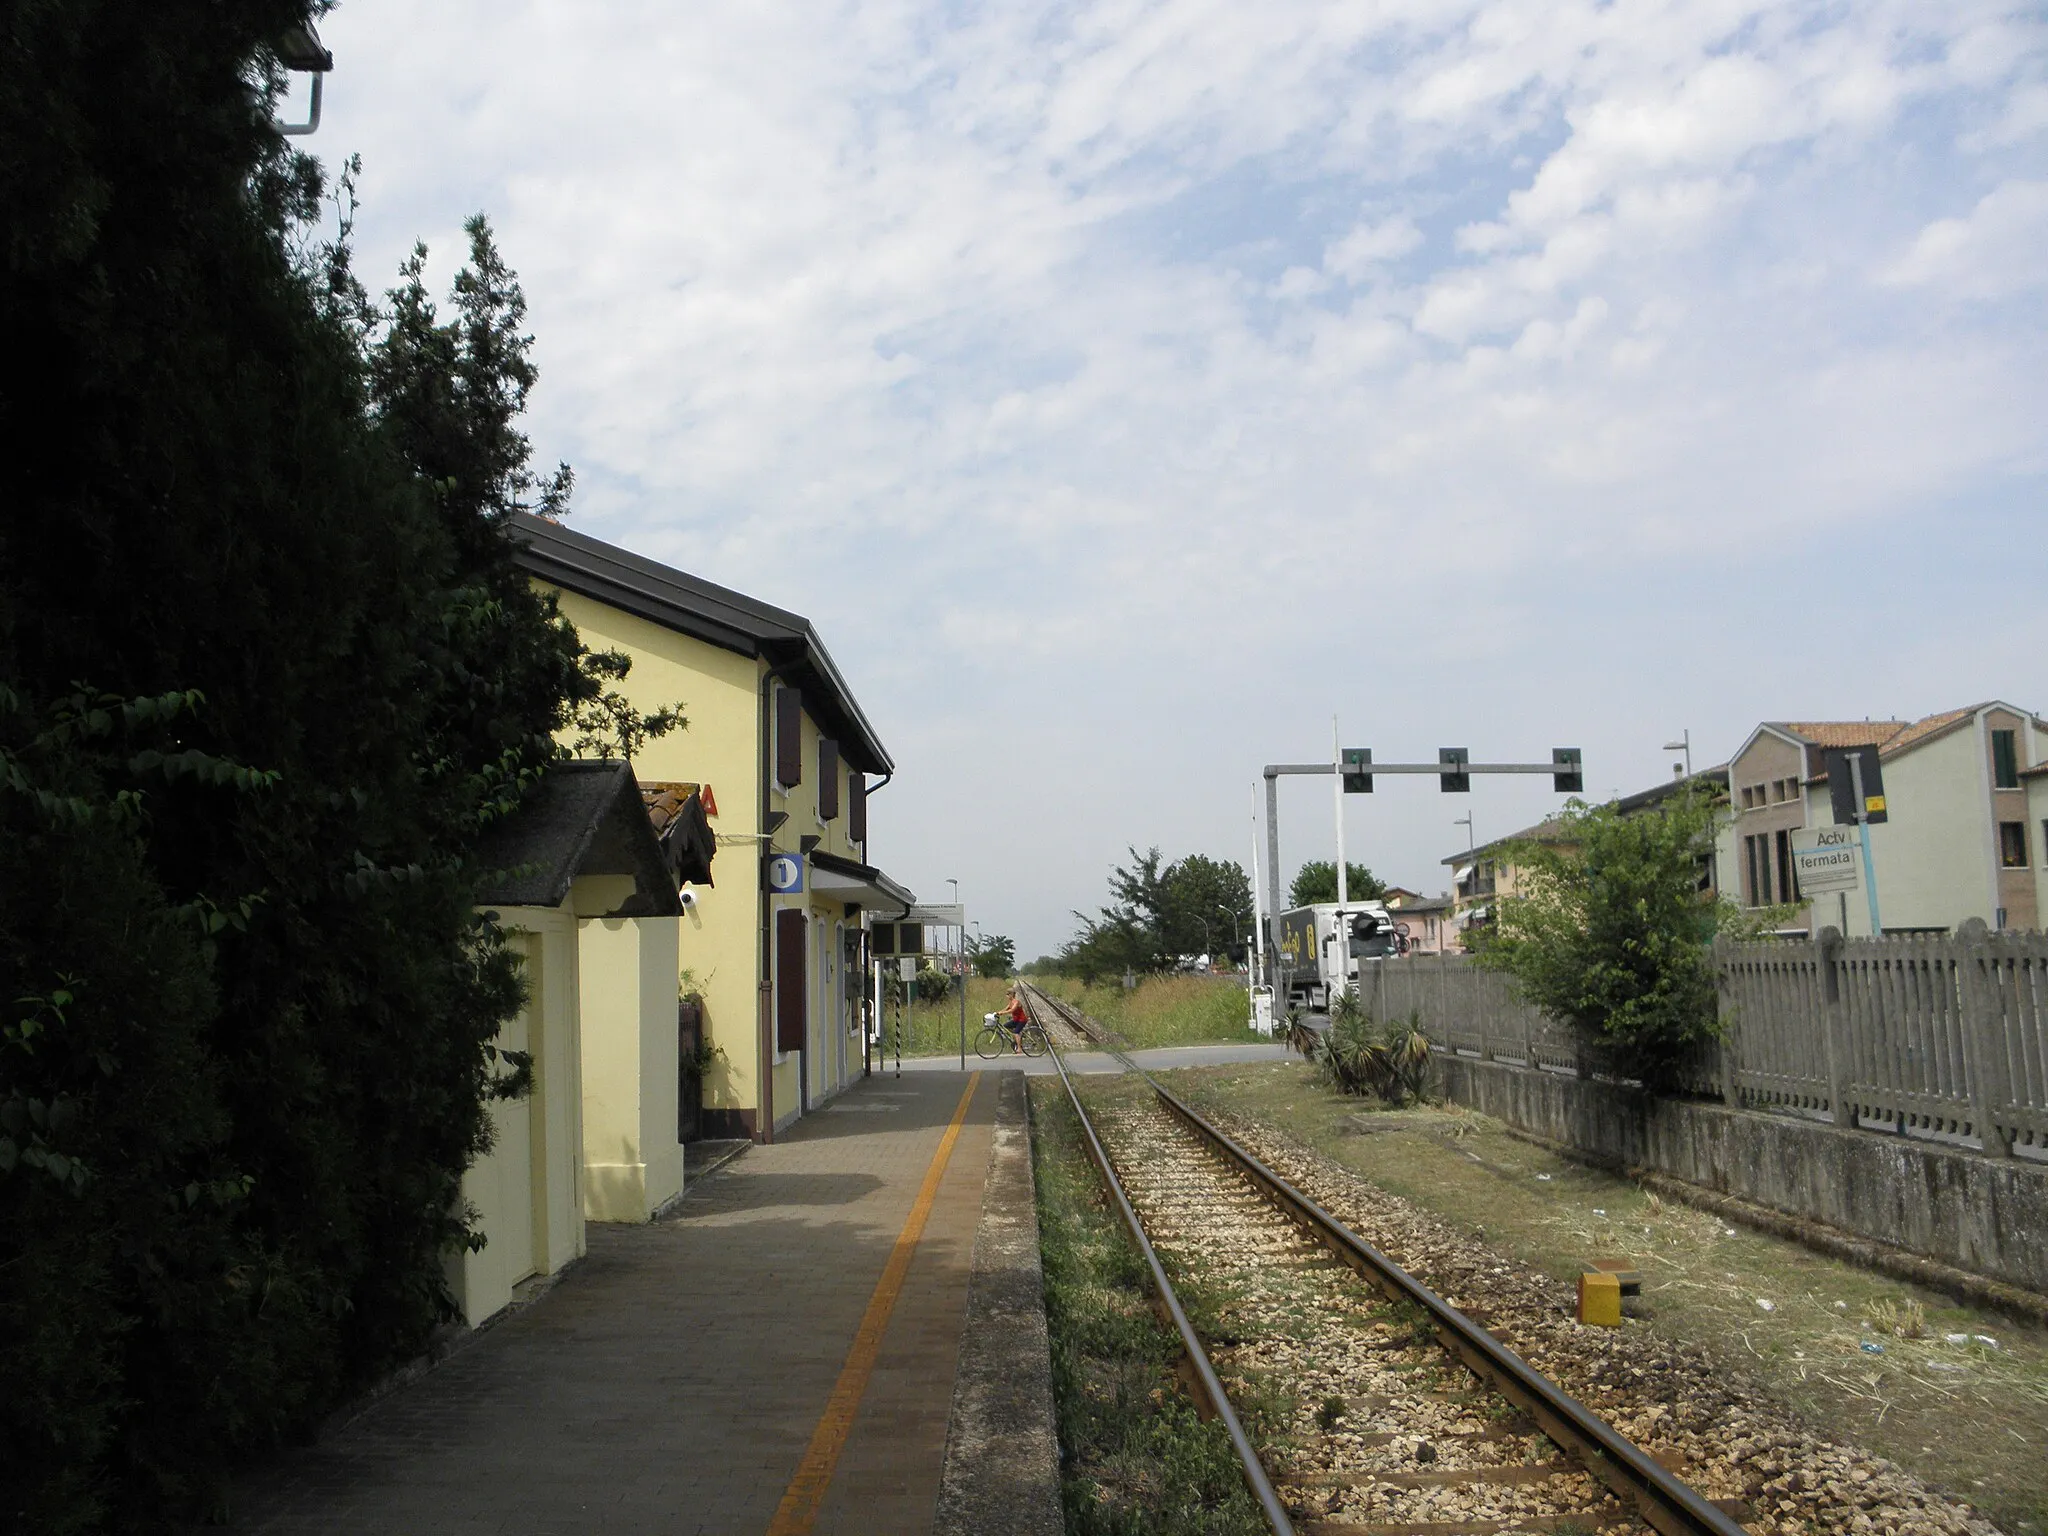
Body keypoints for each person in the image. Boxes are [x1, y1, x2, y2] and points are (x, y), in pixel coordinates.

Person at [1003, 986, 1031, 1054]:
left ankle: (1019, 1048)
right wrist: (996, 1013)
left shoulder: (1016, 1002)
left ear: (1011, 994)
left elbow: (1012, 1010)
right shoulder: (1010, 1002)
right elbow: (1005, 1009)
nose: (1007, 996)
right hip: (1016, 1020)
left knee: (1016, 1032)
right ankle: (1017, 1037)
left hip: (1022, 1020)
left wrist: (1002, 1013)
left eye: (1008, 994)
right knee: (1005, 1025)